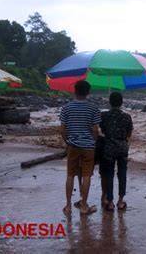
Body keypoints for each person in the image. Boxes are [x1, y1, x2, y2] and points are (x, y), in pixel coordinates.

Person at [59, 81, 101, 215]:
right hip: (88, 147)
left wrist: (68, 142)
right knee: (87, 175)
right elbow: (95, 130)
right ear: (88, 92)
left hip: (73, 146)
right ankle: (84, 206)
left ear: (74, 91)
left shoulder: (67, 108)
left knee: (70, 175)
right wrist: (92, 141)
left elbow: (62, 129)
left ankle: (68, 206)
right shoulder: (93, 108)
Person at [99, 92, 133, 211]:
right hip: (122, 147)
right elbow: (129, 133)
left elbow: (102, 131)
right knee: (122, 173)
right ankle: (120, 201)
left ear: (110, 102)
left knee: (109, 174)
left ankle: (110, 202)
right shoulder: (127, 117)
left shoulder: (103, 116)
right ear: (121, 102)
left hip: (109, 147)